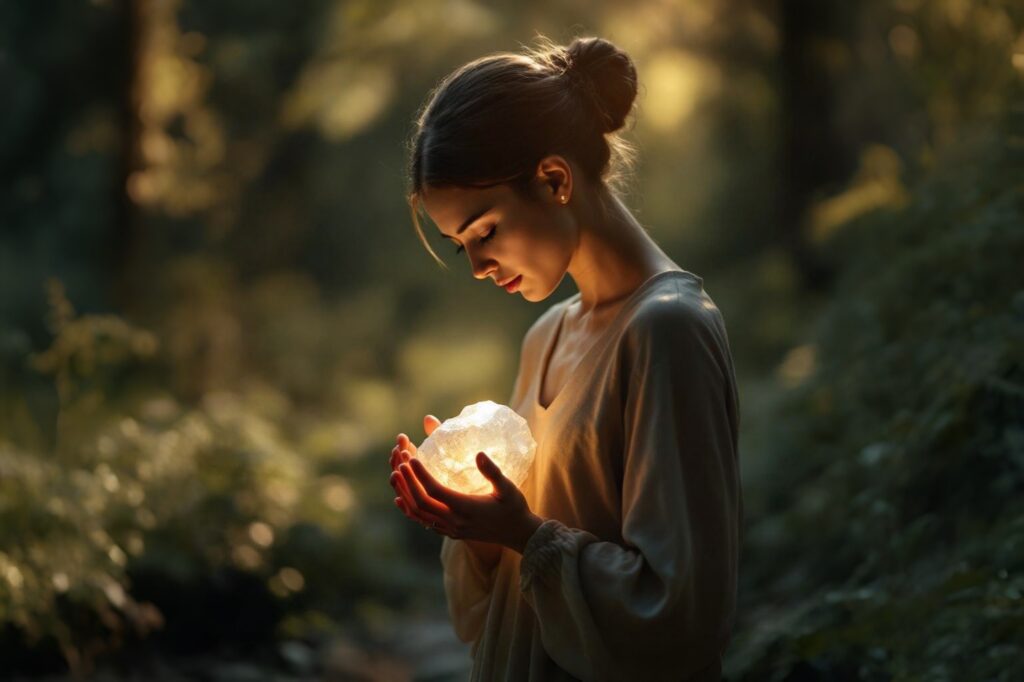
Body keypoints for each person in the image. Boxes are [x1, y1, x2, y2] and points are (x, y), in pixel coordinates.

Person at [387, 35, 743, 681]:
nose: (476, 266)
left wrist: (526, 534)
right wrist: (477, 523)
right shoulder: (547, 334)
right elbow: (498, 603)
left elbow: (683, 612)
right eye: (458, 245)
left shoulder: (668, 331)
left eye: (484, 230)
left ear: (554, 179)